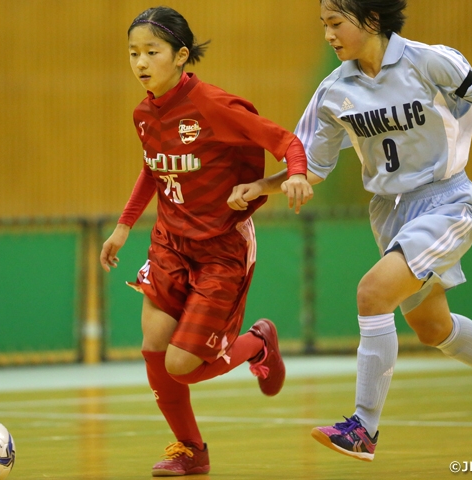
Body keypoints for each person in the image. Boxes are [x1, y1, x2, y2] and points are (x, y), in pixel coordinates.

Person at [228, 0, 472, 463]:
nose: (329, 35)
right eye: (324, 25)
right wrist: (265, 185)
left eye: (336, 23)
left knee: (372, 293)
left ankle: (363, 428)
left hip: (447, 202)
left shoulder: (431, 61)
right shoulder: (334, 90)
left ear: (371, 19)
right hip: (389, 213)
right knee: (432, 328)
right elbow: (309, 167)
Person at [100, 6, 313, 476]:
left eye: (151, 52)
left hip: (221, 248)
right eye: (133, 53)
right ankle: (190, 449)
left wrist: (295, 173)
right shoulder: (144, 113)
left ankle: (257, 343)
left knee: (182, 365)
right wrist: (123, 226)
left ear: (180, 55)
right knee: (154, 344)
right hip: (170, 243)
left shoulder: (213, 105)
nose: (140, 63)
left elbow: (285, 140)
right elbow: (153, 168)